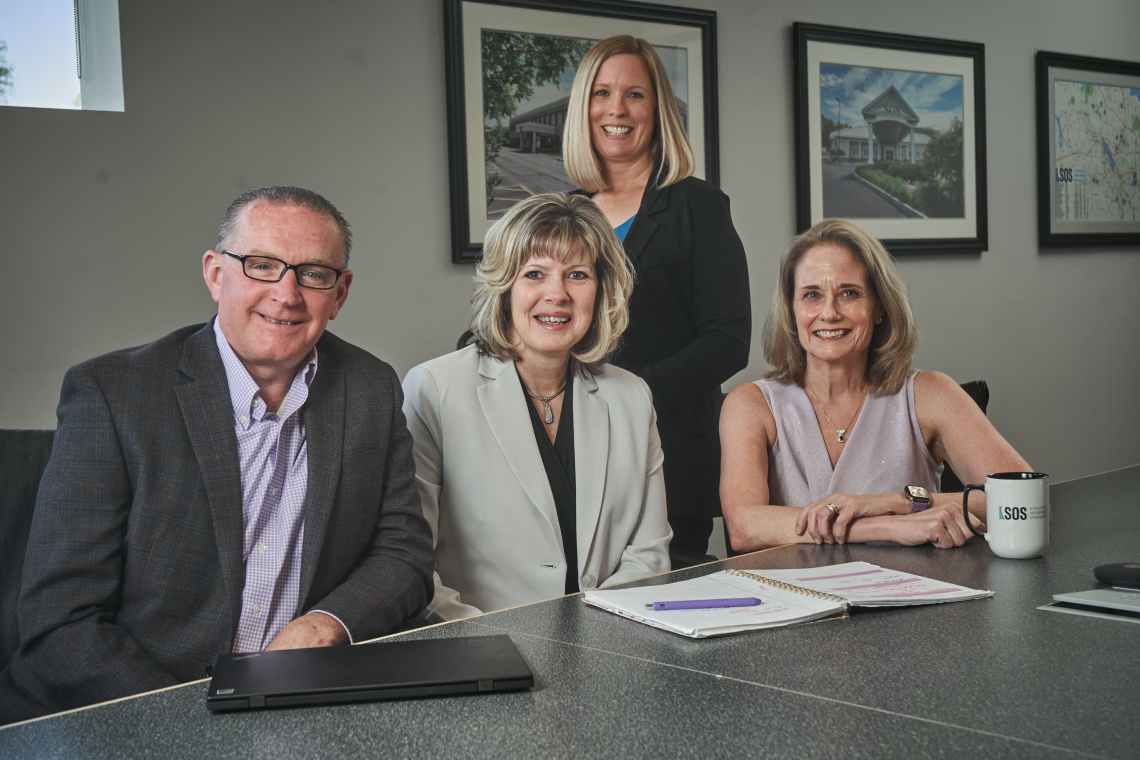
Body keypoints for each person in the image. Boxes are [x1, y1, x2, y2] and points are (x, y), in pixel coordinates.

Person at [1, 186, 433, 722]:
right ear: (214, 273)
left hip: (293, 703)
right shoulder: (113, 395)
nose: (286, 294)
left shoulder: (369, 386)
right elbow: (60, 622)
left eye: (314, 274)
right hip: (126, 709)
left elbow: (403, 554)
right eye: (261, 265)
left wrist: (324, 625)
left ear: (340, 293)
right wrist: (199, 721)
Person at [402, 193, 671, 620]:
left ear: (601, 290)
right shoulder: (434, 389)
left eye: (577, 275)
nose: (557, 294)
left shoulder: (631, 397)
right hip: (481, 652)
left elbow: (649, 554)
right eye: (534, 274)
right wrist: (492, 645)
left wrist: (602, 640)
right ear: (504, 287)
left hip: (612, 647)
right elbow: (413, 563)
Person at [720, 219, 1031, 551]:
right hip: (802, 599)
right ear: (792, 311)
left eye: (849, 293)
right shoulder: (750, 405)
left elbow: (1024, 500)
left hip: (919, 597)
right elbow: (744, 527)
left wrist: (896, 502)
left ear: (879, 307)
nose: (829, 312)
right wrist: (889, 527)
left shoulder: (931, 394)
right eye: (812, 295)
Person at [562, 36, 751, 564]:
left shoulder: (698, 206)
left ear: (658, 109)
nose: (616, 110)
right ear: (584, 107)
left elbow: (728, 340)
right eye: (601, 93)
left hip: (670, 451)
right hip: (573, 449)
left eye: (634, 95)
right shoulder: (563, 214)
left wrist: (631, 393)